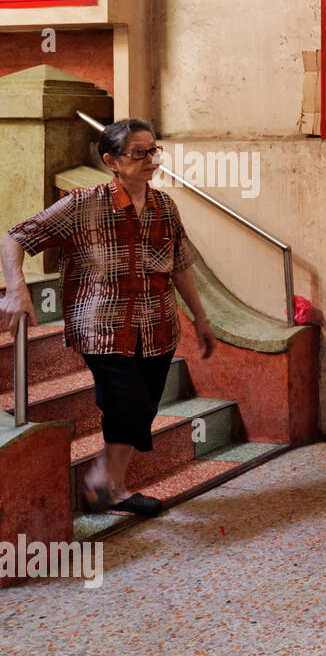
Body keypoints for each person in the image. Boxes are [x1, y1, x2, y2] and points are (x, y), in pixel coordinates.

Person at [0, 117, 216, 514]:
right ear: (111, 161)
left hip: (157, 326)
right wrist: (16, 287)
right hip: (101, 325)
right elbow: (14, 237)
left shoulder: (164, 205)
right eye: (139, 153)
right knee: (127, 403)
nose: (151, 159)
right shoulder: (82, 203)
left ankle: (110, 488)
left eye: (154, 150)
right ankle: (102, 479)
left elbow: (180, 264)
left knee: (144, 407)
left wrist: (200, 318)